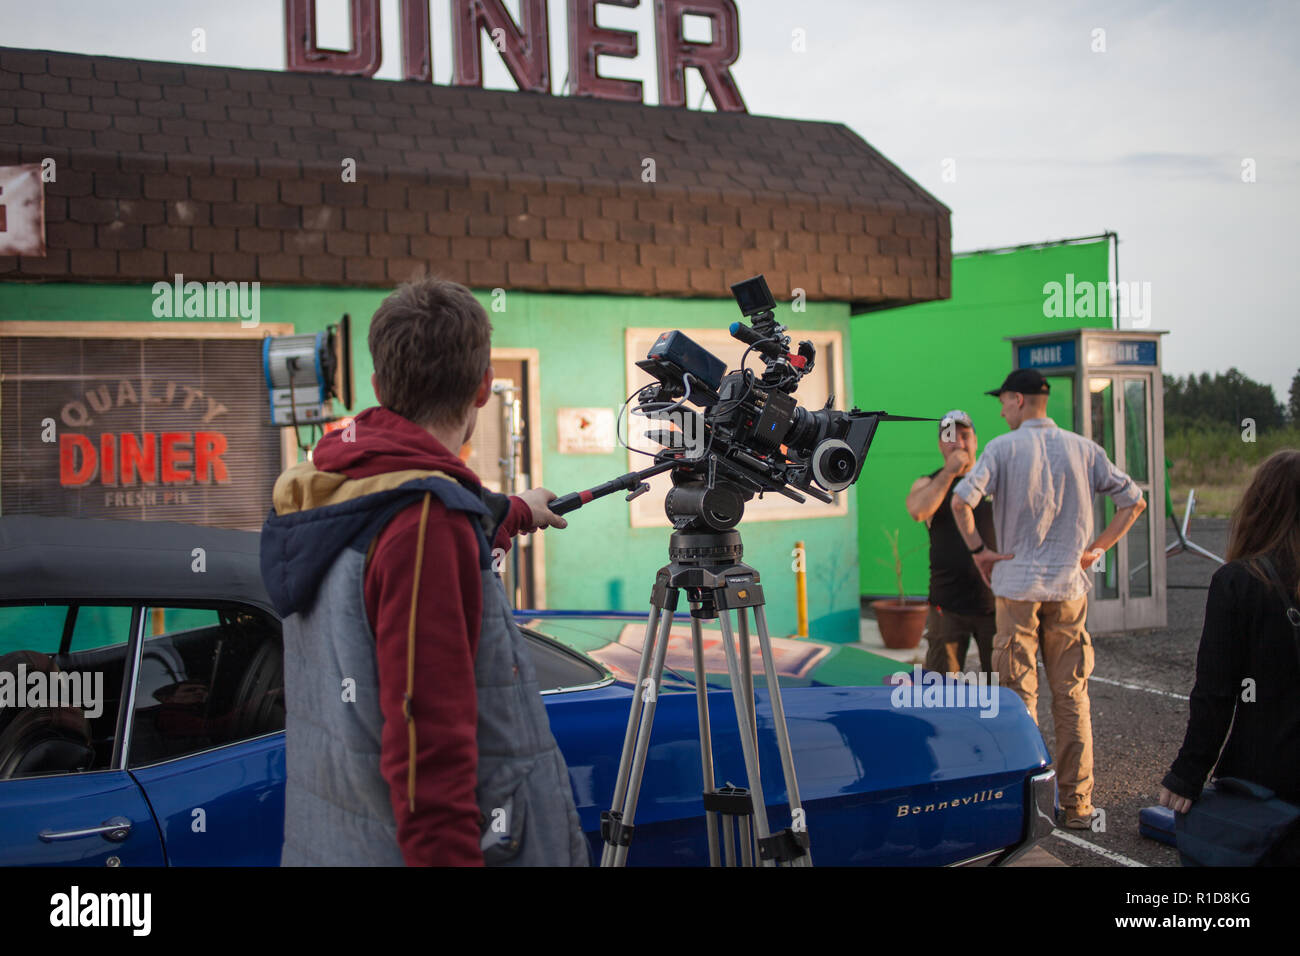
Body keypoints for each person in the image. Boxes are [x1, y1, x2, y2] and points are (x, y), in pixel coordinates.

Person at [260, 277, 588, 866]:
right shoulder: (425, 526)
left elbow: (399, 516)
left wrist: (513, 511)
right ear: (485, 387)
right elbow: (427, 765)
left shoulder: (333, 488)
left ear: (381, 388)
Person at [949, 368, 1147, 829]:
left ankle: (1025, 807)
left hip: (1016, 589)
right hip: (1068, 587)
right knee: (1072, 696)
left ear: (1019, 400)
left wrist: (980, 552)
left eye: (1003, 401)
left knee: (1018, 699)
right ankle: (1077, 807)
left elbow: (961, 501)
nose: (1000, 409)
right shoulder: (1084, 449)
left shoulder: (1002, 447)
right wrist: (1097, 549)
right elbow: (1133, 501)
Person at [1158, 449, 1300, 863]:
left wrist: (1187, 773)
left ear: (1259, 507)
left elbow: (1215, 694)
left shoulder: (1240, 582)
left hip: (1265, 777)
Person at [904, 410, 996, 675]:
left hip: (993, 603)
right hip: (947, 605)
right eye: (949, 437)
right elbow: (918, 510)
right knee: (942, 689)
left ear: (976, 441)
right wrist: (949, 473)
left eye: (964, 436)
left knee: (1002, 687)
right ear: (940, 445)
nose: (958, 443)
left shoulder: (992, 480)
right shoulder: (929, 482)